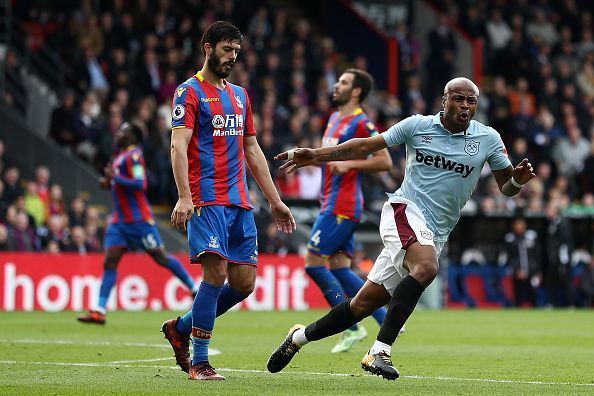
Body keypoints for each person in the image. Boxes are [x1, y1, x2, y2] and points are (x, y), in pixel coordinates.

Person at [267, 77, 535, 380]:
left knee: (361, 306)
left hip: (437, 231)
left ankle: (298, 338)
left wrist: (517, 182)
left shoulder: (487, 138)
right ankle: (379, 351)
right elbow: (367, 146)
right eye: (458, 99)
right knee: (427, 266)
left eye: (471, 101)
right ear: (444, 100)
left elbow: (506, 187)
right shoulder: (417, 126)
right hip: (404, 210)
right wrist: (315, 155)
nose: (465, 106)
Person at [161, 21, 296, 381]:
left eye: (236, 51)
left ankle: (181, 329)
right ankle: (200, 363)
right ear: (208, 48)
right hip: (205, 200)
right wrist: (184, 197)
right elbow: (179, 145)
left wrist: (275, 200)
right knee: (216, 274)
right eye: (226, 50)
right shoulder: (188, 92)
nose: (232, 57)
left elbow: (252, 149)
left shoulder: (239, 95)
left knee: (244, 284)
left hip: (239, 203)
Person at [303, 68, 392, 353]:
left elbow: (384, 161)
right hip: (330, 200)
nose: (336, 85)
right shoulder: (333, 118)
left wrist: (352, 164)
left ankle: (351, 326)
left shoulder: (362, 122)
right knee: (340, 269)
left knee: (313, 262)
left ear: (356, 92)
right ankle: (385, 318)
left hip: (342, 205)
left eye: (342, 82)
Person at [77, 123, 198, 325]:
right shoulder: (120, 156)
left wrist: (116, 178)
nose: (118, 134)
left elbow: (140, 183)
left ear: (132, 136)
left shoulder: (134, 155)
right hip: (120, 222)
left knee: (160, 257)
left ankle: (193, 289)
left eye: (123, 131)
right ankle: (99, 309)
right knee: (110, 261)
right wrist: (109, 183)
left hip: (139, 221)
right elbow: (121, 182)